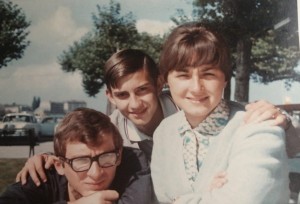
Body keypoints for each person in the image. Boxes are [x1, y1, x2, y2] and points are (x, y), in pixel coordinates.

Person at [15, 49, 298, 186]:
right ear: (110, 96)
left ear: (160, 83)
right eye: (122, 95)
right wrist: (44, 159)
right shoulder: (110, 131)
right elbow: (77, 156)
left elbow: (293, 146)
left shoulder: (193, 109)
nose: (134, 104)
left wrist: (281, 121)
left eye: (143, 91)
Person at [150, 22, 289, 203]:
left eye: (208, 74)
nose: (195, 88)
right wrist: (208, 197)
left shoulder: (257, 126)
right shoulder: (164, 132)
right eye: (183, 75)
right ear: (166, 80)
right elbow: (161, 198)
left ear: (224, 79)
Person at [0, 108, 153, 204]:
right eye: (81, 161)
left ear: (118, 156)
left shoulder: (131, 163)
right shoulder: (41, 177)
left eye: (106, 158)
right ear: (60, 165)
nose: (96, 173)